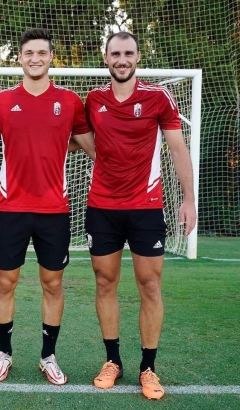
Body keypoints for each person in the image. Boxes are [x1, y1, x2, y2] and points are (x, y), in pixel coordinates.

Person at [0, 28, 95, 385]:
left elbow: (93, 148)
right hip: (12, 209)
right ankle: (4, 352)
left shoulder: (69, 102)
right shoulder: (2, 102)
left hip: (55, 210)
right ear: (19, 58)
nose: (35, 58)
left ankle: (47, 356)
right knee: (6, 282)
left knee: (53, 284)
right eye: (29, 53)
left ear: (51, 57)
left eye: (42, 52)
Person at [85, 31, 196, 400]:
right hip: (101, 206)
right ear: (106, 58)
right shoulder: (93, 100)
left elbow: (178, 148)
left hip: (145, 207)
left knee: (150, 285)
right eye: (115, 53)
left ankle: (148, 368)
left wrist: (188, 199)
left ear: (137, 57)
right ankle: (112, 361)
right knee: (105, 283)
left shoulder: (158, 97)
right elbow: (69, 134)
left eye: (128, 53)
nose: (121, 59)